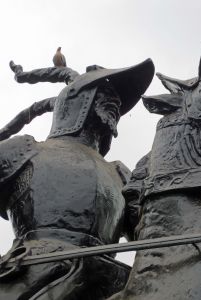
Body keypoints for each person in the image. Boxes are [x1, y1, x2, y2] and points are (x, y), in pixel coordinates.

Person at [0, 59, 154, 299]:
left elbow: (151, 237)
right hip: (29, 275)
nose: (116, 102)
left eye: (117, 99)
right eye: (104, 93)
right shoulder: (25, 150)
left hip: (111, 286)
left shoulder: (121, 174)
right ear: (77, 99)